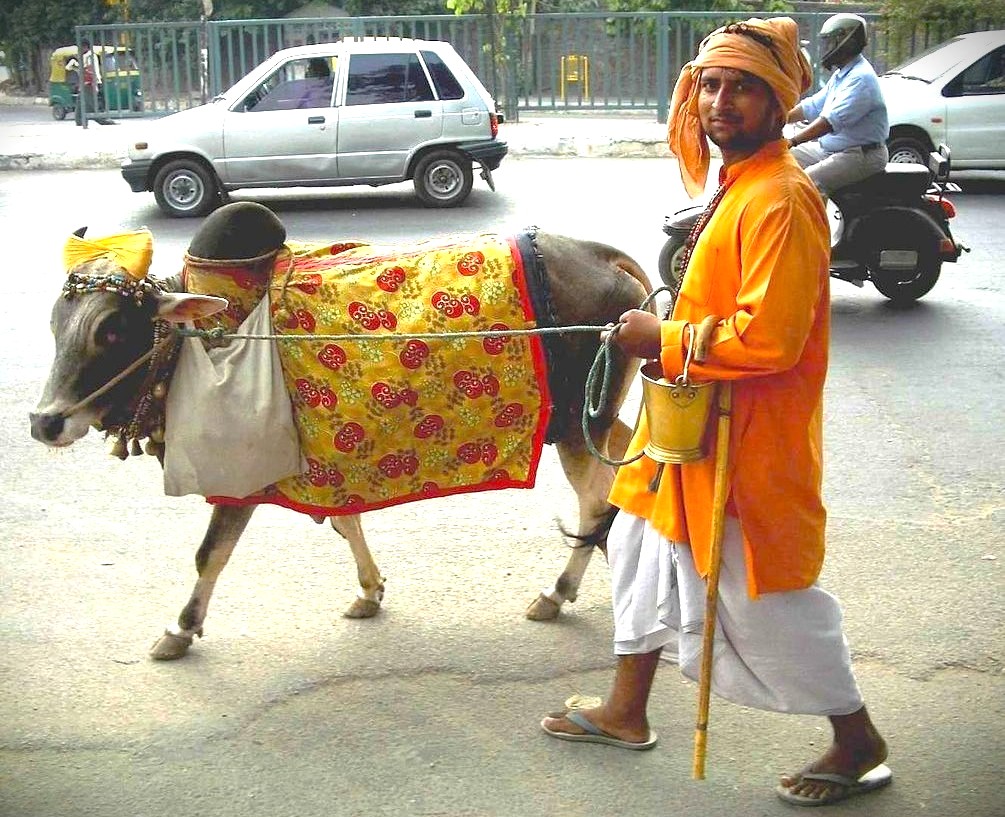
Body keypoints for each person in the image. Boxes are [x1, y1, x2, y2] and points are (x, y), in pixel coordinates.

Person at [539, 16, 891, 808]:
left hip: (746, 445)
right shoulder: (733, 185)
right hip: (691, 434)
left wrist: (657, 336)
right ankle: (626, 711)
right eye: (708, 84)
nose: (717, 101)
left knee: (762, 603)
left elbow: (769, 337)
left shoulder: (783, 199)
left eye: (740, 87)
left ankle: (857, 736)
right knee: (631, 547)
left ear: (777, 102)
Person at [786, 14, 889, 196]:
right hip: (833, 149)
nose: (825, 48)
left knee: (805, 184)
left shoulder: (860, 78)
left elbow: (829, 122)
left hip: (860, 155)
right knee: (780, 160)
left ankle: (816, 225)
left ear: (846, 42)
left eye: (829, 42)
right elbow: (814, 105)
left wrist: (793, 141)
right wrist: (780, 118)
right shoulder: (845, 73)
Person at [80, 39, 103, 113]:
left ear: (85, 46)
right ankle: (80, 120)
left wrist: (94, 84)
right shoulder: (91, 55)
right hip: (90, 82)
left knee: (91, 103)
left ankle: (102, 119)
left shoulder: (88, 56)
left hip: (90, 82)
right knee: (82, 101)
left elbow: (90, 70)